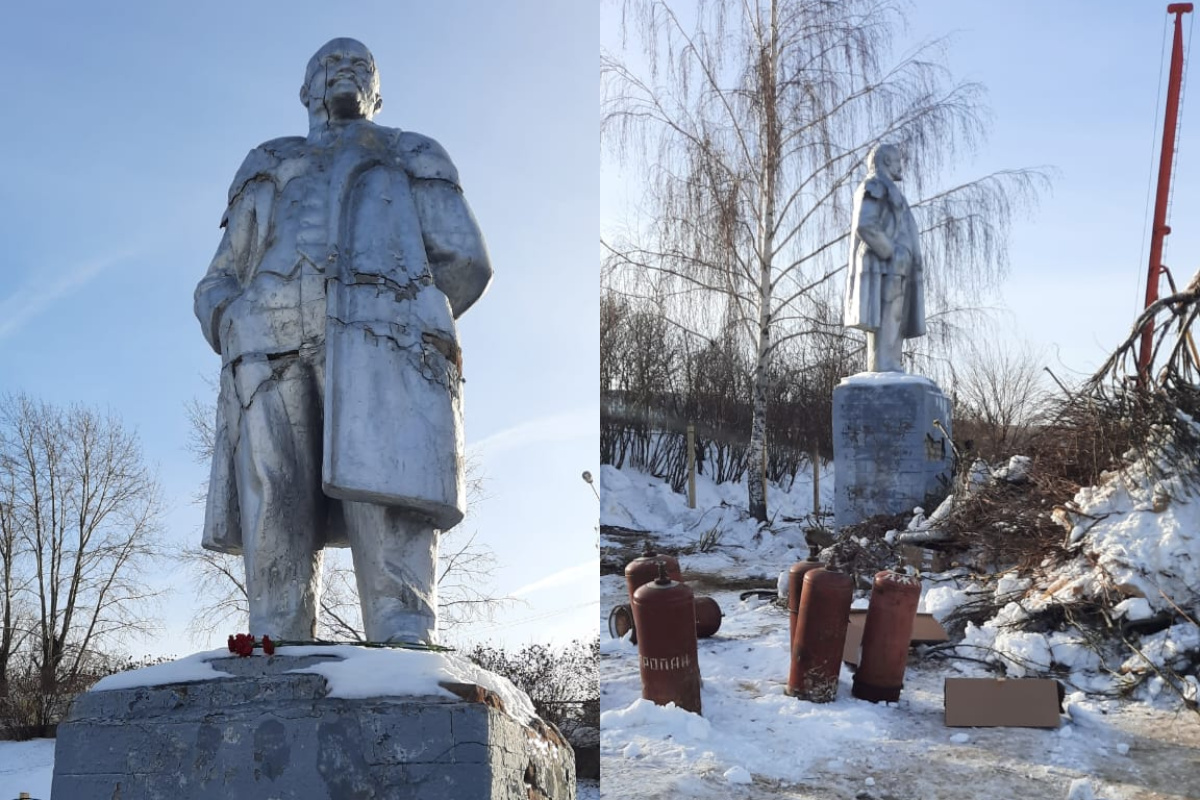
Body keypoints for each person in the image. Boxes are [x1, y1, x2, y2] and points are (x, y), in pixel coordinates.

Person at [194, 38, 492, 645]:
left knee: (386, 489)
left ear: (378, 93)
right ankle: (275, 640)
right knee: (274, 495)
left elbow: (464, 259)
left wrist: (408, 319)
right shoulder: (267, 160)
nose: (345, 70)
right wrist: (226, 311)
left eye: (361, 65)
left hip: (373, 334)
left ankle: (403, 636)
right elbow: (225, 267)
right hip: (266, 336)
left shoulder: (409, 152)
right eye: (331, 63)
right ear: (305, 89)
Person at [843, 143, 926, 372]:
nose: (901, 165)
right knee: (888, 314)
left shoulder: (888, 187)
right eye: (898, 160)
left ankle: (890, 362)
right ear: (887, 161)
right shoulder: (875, 185)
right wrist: (892, 251)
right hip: (885, 265)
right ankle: (884, 364)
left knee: (896, 315)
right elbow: (865, 224)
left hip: (897, 266)